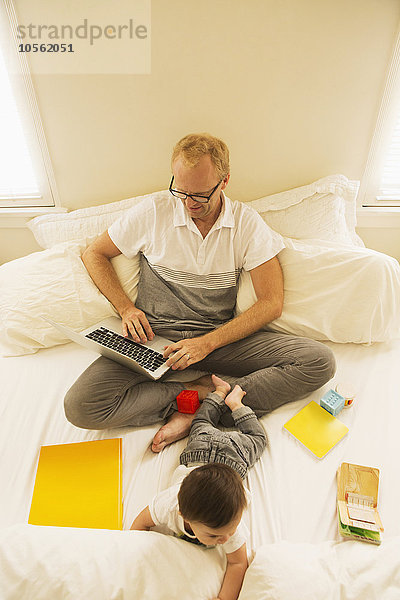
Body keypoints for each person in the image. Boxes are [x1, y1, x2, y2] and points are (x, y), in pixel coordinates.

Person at [64, 132, 336, 450]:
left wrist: (206, 344)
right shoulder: (154, 211)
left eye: (200, 195)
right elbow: (94, 254)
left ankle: (204, 406)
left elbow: (271, 303)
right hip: (153, 339)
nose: (189, 203)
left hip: (216, 340)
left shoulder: (246, 225)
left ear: (224, 181)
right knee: (80, 405)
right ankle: (197, 397)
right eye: (181, 191)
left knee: (319, 361)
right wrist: (125, 308)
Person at [130, 375, 267, 600]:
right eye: (215, 536)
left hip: (227, 457)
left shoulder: (228, 526)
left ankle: (229, 400)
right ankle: (225, 398)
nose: (225, 540)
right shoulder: (169, 504)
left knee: (245, 435)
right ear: (182, 514)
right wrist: (133, 555)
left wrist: (224, 598)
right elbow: (141, 523)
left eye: (227, 533)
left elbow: (238, 563)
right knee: (202, 424)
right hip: (210, 454)